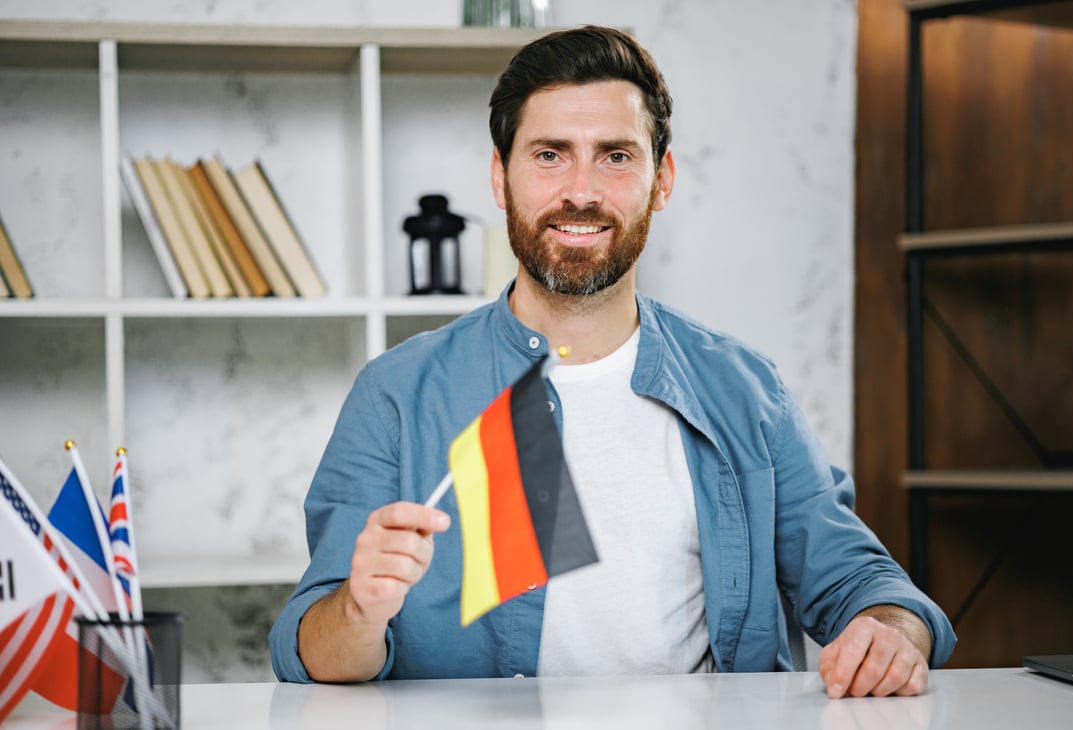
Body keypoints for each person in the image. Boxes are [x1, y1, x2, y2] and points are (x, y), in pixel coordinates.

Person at [270, 25, 956, 698]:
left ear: (661, 180)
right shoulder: (397, 393)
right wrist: (361, 610)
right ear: (499, 178)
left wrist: (890, 630)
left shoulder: (746, 389)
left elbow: (859, 582)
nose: (580, 190)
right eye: (548, 154)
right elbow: (317, 652)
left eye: (615, 156)